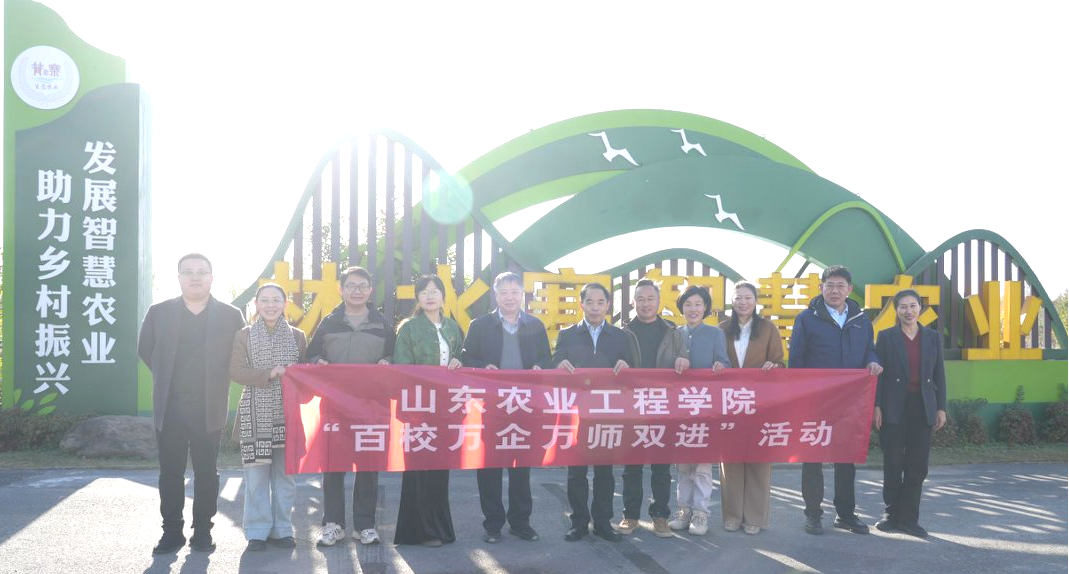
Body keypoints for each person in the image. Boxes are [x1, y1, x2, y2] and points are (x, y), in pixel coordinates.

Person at [138, 253, 245, 555]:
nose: (195, 277)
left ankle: (203, 531)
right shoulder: (159, 312)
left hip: (209, 406)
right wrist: (167, 377)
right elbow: (146, 349)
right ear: (179, 278)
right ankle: (171, 532)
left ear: (211, 277)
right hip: (170, 406)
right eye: (188, 272)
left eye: (201, 271)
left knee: (207, 472)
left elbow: (239, 355)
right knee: (170, 473)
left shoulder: (230, 315)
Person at [789, 265, 883, 535]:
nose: (834, 290)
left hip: (850, 402)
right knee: (812, 459)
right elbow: (796, 360)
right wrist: (798, 399)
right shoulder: (806, 319)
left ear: (849, 289)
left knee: (846, 459)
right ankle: (813, 514)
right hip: (816, 402)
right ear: (821, 288)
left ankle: (846, 514)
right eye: (829, 285)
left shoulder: (861, 320)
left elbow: (869, 350)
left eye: (840, 286)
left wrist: (873, 361)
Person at [461, 272, 552, 544]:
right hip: (491, 406)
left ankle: (521, 522)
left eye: (515, 292)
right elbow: (466, 357)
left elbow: (547, 358)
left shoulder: (535, 325)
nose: (510, 297)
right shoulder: (480, 325)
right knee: (489, 465)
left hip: (525, 405)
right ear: (496, 294)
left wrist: (539, 366)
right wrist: (483, 366)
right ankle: (492, 524)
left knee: (521, 465)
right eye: (504, 292)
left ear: (522, 294)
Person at [306, 266, 394, 547]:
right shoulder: (329, 323)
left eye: (362, 286)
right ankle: (333, 525)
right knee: (332, 465)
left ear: (370, 291)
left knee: (368, 465)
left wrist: (388, 361)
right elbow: (311, 354)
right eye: (351, 285)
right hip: (334, 405)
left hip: (372, 406)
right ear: (341, 289)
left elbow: (395, 356)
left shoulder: (382, 324)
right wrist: (318, 361)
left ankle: (365, 525)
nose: (357, 291)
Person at [554, 282, 639, 543]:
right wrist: (559, 364)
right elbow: (553, 363)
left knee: (604, 472)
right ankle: (578, 522)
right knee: (576, 472)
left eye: (600, 302)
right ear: (581, 304)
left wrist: (626, 365)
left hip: (608, 412)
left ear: (608, 305)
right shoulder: (567, 334)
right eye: (589, 302)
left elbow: (634, 370)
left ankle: (602, 522)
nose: (595, 307)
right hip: (577, 413)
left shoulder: (621, 336)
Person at [229, 283, 307, 552]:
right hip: (255, 413)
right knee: (256, 478)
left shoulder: (298, 336)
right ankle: (257, 532)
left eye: (276, 300)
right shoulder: (244, 335)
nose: (271, 305)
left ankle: (282, 530)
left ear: (285, 304)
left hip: (289, 413)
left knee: (285, 477)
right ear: (257, 304)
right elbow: (236, 371)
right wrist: (269, 374)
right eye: (265, 300)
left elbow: (306, 373)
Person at [393, 274, 463, 547]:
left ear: (443, 296)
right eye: (424, 292)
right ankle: (419, 532)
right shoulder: (409, 328)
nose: (430, 296)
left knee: (439, 470)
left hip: (446, 408)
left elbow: (463, 358)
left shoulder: (452, 327)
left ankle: (440, 528)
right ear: (418, 298)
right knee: (418, 469)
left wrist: (460, 361)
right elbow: (402, 368)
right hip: (419, 408)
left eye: (435, 291)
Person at [873, 289, 947, 538]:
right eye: (903, 306)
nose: (908, 311)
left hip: (923, 406)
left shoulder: (932, 337)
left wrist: (941, 407)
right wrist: (877, 405)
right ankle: (891, 515)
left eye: (913, 306)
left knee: (917, 465)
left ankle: (909, 519)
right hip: (893, 406)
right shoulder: (886, 337)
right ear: (896, 310)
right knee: (893, 462)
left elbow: (939, 374)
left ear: (920, 308)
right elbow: (879, 376)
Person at [619, 278, 688, 538]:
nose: (646, 303)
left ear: (659, 301)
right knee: (631, 466)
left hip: (663, 407)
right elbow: (614, 363)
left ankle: (660, 516)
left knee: (661, 466)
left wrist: (684, 359)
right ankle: (630, 516)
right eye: (640, 299)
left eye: (650, 298)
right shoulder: (623, 332)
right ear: (632, 302)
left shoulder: (673, 332)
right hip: (632, 407)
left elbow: (685, 361)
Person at [718, 281, 784, 535]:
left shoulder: (768, 328)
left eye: (748, 297)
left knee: (759, 460)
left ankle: (755, 517)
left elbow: (780, 363)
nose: (743, 302)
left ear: (755, 301)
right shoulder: (722, 329)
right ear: (731, 301)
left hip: (761, 403)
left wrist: (773, 367)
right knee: (731, 460)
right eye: (738, 298)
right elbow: (716, 360)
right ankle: (733, 515)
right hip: (730, 403)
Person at [666, 284, 729, 537]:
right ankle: (683, 510)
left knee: (702, 465)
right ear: (681, 308)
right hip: (679, 408)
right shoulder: (674, 334)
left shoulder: (715, 334)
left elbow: (725, 362)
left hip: (705, 407)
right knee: (682, 464)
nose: (693, 309)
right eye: (688, 304)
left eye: (698, 304)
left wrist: (720, 366)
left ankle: (701, 513)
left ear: (705, 308)